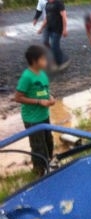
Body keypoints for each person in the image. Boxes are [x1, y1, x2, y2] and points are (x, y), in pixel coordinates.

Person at [14, 45, 55, 176]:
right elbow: (18, 97)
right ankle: (38, 173)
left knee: (49, 142)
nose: (46, 61)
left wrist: (50, 98)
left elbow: (45, 90)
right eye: (43, 59)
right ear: (33, 60)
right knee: (38, 147)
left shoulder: (42, 74)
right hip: (32, 119)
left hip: (44, 115)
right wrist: (38, 102)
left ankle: (48, 165)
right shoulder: (27, 77)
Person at [38, 0, 70, 70]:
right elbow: (47, 18)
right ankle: (55, 56)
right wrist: (41, 28)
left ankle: (60, 62)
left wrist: (64, 29)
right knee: (45, 42)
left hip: (57, 28)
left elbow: (64, 16)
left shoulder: (59, 3)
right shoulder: (47, 4)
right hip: (48, 27)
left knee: (54, 46)